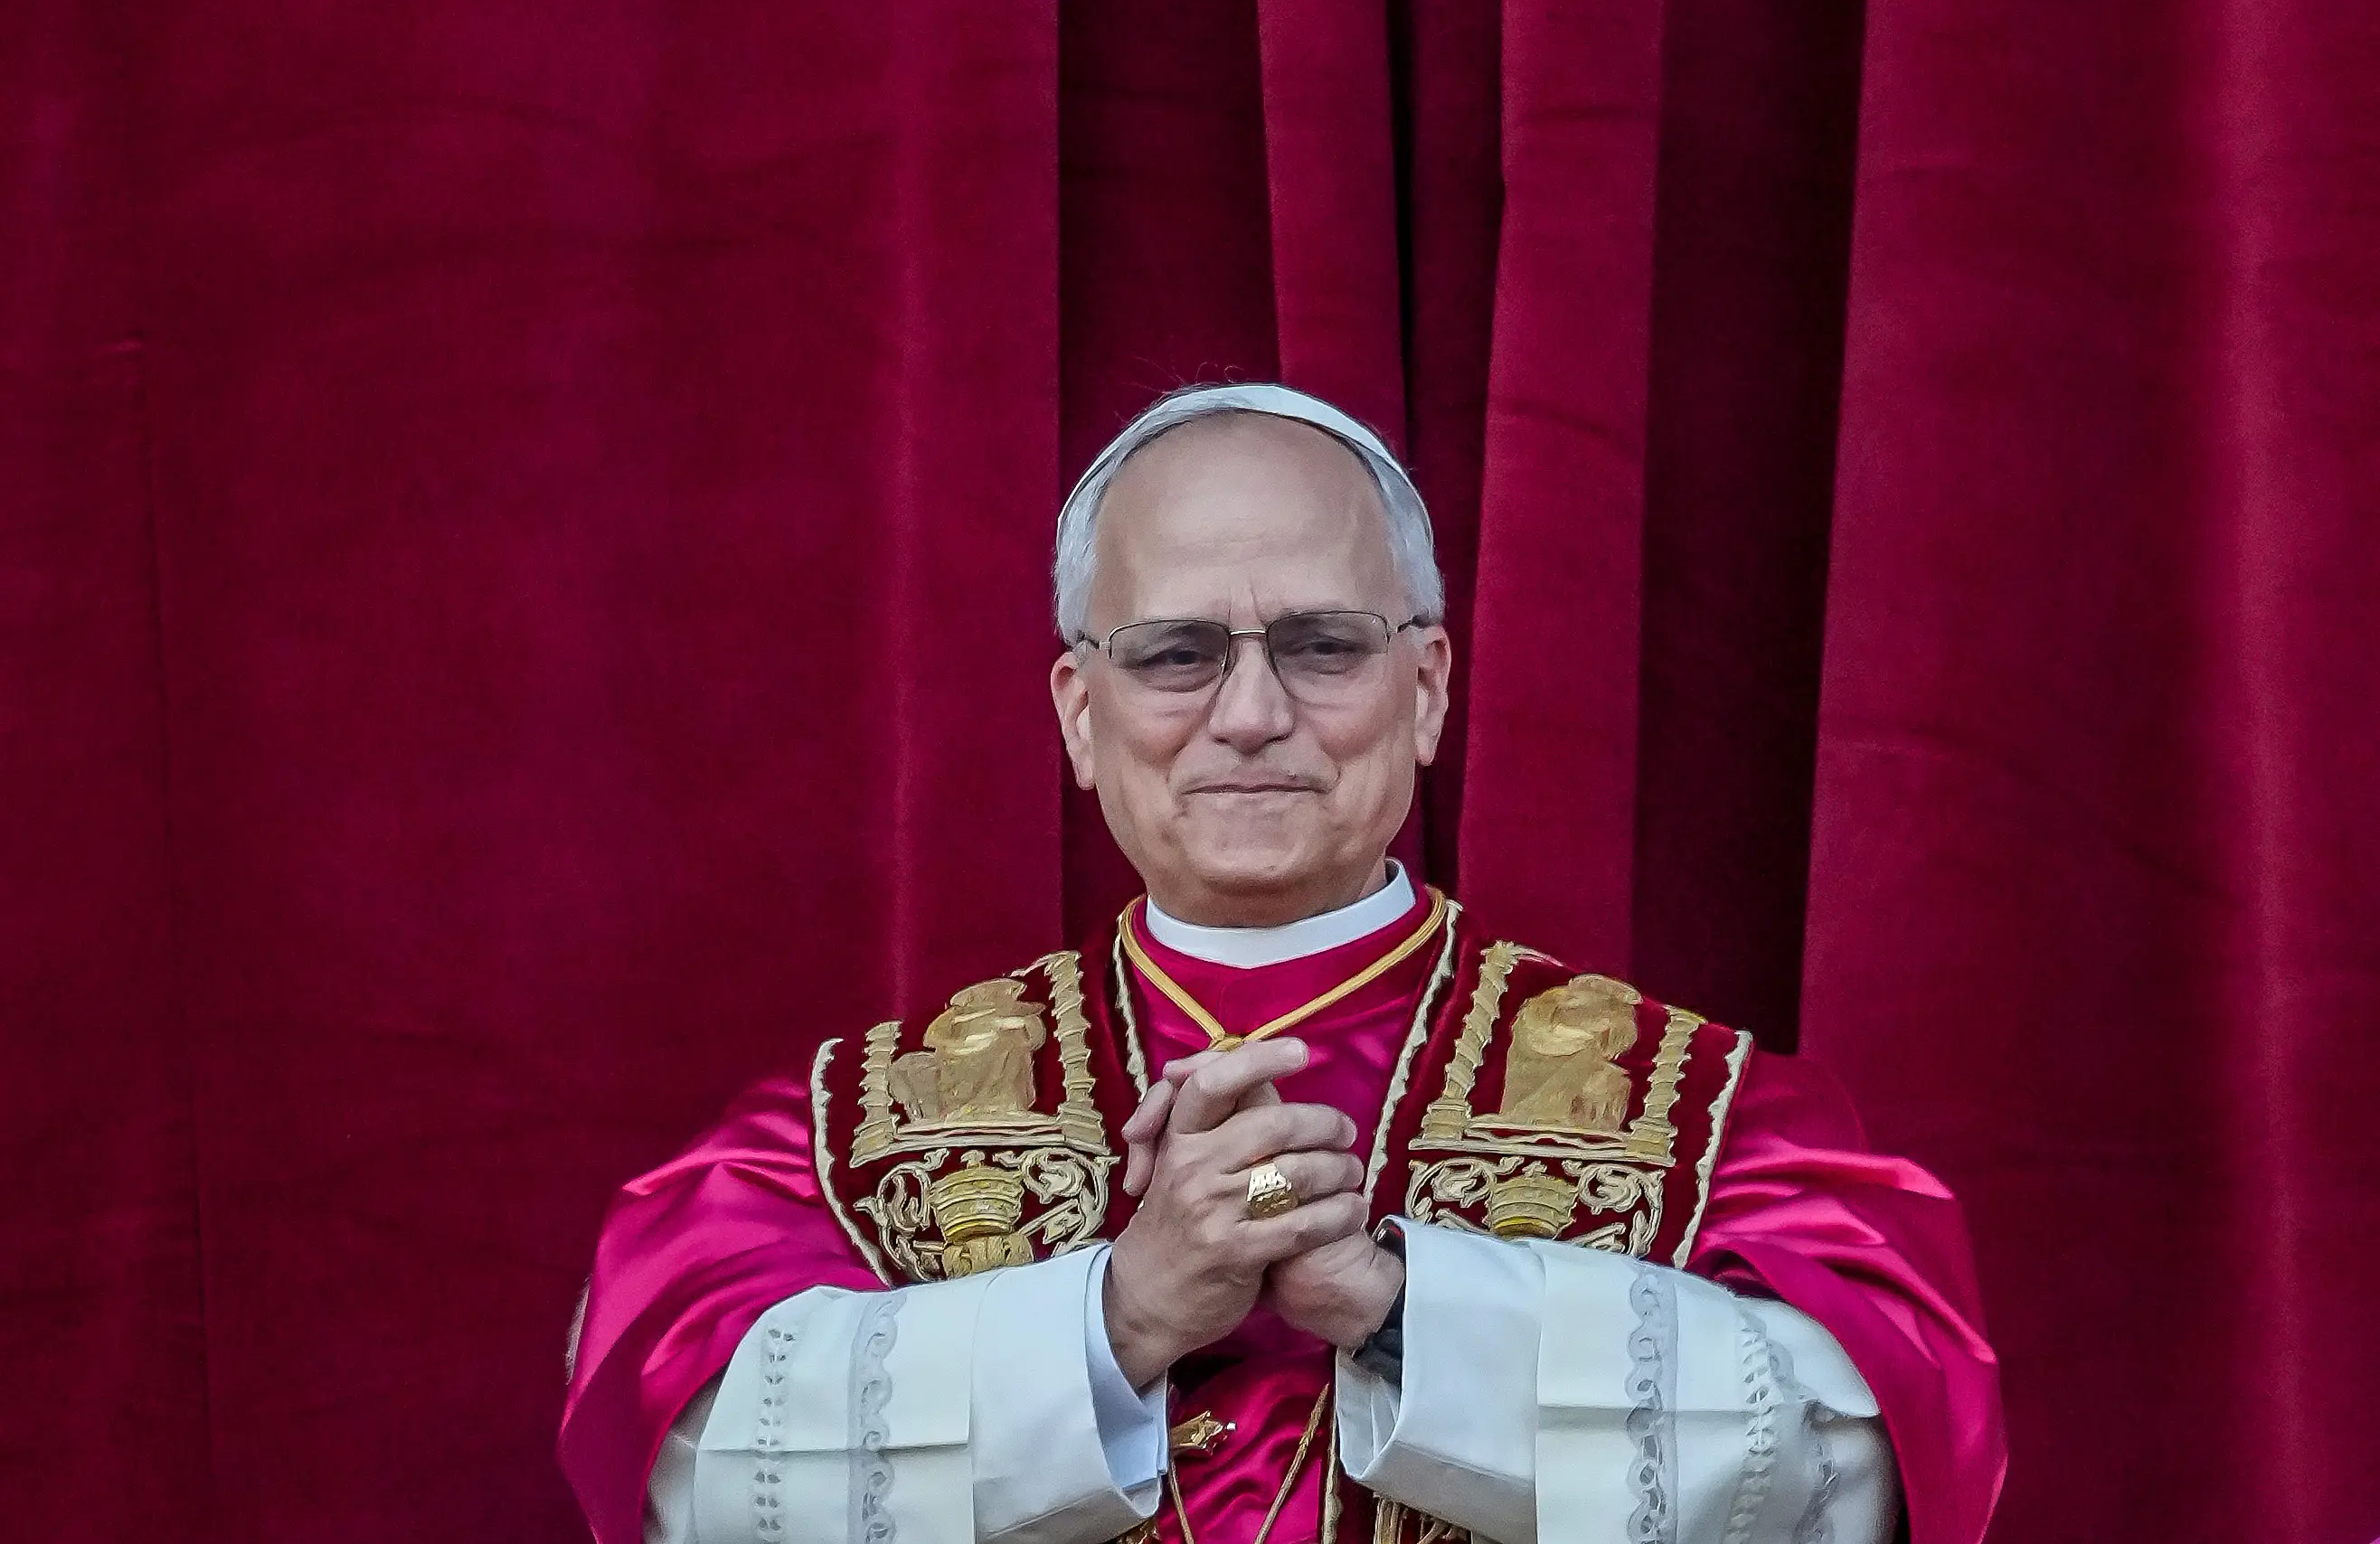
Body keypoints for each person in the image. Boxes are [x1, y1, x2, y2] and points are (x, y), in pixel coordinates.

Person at [558, 383, 2005, 1544]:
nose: (1250, 713)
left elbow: (1866, 1467)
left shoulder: (1697, 1113)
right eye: (1176, 653)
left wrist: (1398, 1304)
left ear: (1426, 687)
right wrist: (1122, 1312)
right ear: (1078, 712)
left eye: (1322, 643)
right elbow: (688, 1462)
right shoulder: (844, 1136)